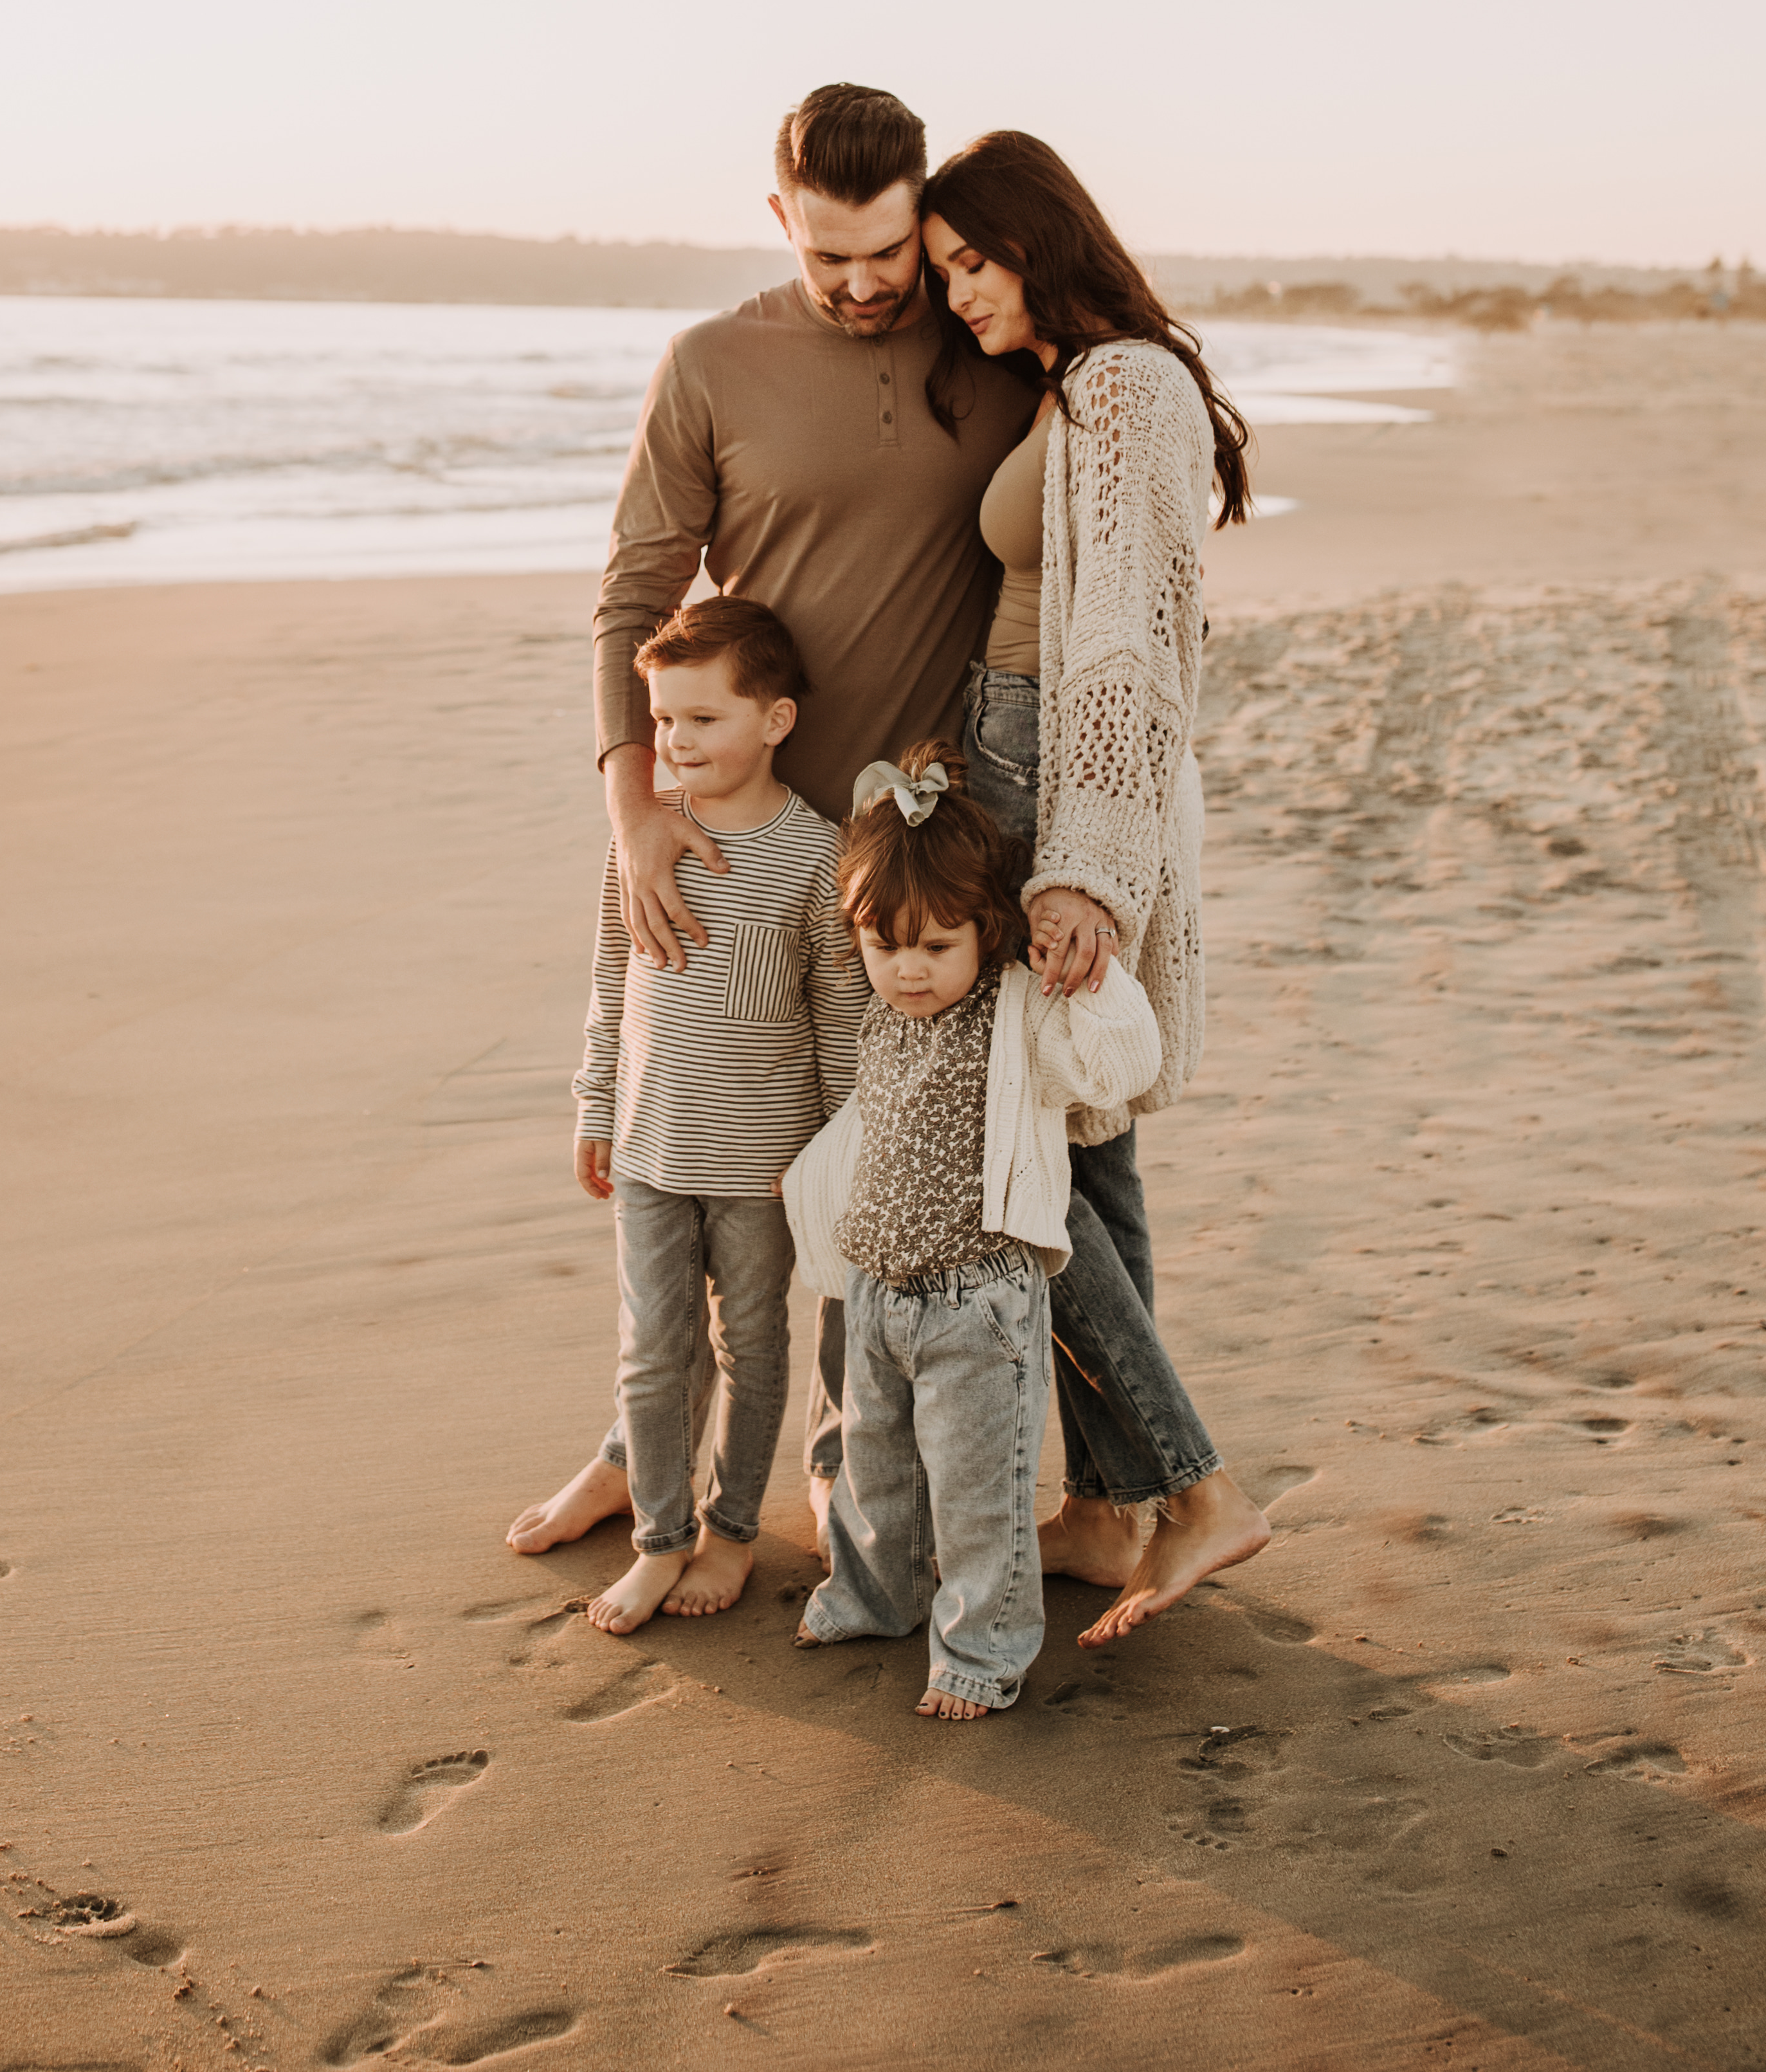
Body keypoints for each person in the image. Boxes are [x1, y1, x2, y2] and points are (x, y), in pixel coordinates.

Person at [508, 83, 1037, 1560]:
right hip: (728, 843)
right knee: (686, 1168)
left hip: (905, 860)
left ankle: (825, 1455)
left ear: (922, 211)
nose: (865, 287)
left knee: (848, 1174)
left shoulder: (986, 351)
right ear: (777, 221)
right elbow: (632, 595)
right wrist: (634, 814)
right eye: (828, 260)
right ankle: (638, 1446)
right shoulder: (710, 363)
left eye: (885, 252)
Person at [920, 127, 1271, 1640]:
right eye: (940, 275)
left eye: (968, 264)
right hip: (1018, 776)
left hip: (1048, 788)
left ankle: (1192, 1489)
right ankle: (1108, 1499)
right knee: (1085, 1146)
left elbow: (1124, 645)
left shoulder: (1124, 386)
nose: (956, 298)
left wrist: (1086, 870)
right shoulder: (1090, 380)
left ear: (1034, 237)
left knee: (1011, 1162)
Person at [784, 742, 1164, 1716]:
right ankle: (876, 1595)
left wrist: (1095, 976)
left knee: (978, 1492)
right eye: (884, 945)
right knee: (878, 1472)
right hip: (876, 1288)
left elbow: (1114, 1064)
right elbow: (878, 816)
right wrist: (908, 795)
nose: (906, 969)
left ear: (985, 931)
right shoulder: (880, 1008)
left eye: (935, 946)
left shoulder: (1016, 1011)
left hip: (977, 1298)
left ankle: (980, 1651)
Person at [570, 597, 868, 1632]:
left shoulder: (815, 859)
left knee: (750, 1347)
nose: (675, 742)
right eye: (660, 722)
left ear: (775, 721)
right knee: (651, 1351)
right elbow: (613, 983)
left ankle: (733, 1527)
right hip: (652, 1152)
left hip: (763, 1172)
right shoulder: (642, 836)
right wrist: (595, 1105)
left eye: (702, 719)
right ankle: (658, 1537)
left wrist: (836, 1159)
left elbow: (839, 1021)